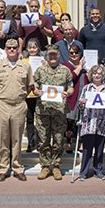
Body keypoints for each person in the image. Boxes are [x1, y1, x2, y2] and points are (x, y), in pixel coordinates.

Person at [0, 38, 32, 181]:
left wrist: (20, 96)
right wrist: (3, 95)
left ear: (18, 49)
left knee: (17, 139)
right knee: (3, 138)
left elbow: (29, 85)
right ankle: (3, 167)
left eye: (14, 47)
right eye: (9, 47)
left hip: (19, 105)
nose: (12, 49)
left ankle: (17, 167)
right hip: (4, 105)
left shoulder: (25, 66)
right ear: (5, 50)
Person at [33, 44, 74, 180]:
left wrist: (67, 93)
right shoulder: (40, 70)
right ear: (47, 55)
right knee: (43, 139)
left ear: (58, 55)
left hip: (59, 111)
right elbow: (34, 87)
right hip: (43, 110)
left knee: (57, 139)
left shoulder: (65, 71)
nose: (52, 56)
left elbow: (71, 88)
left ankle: (56, 166)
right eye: (49, 54)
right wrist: (36, 91)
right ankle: (45, 166)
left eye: (54, 54)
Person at [76, 65, 105, 181]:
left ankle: (98, 170)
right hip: (89, 122)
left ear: (103, 76)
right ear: (91, 75)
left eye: (99, 74)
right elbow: (80, 105)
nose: (97, 76)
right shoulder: (87, 88)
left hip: (102, 123)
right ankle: (84, 172)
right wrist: (82, 102)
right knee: (87, 149)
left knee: (99, 149)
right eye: (94, 74)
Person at [63, 44, 88, 153]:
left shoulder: (86, 66)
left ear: (80, 54)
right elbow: (71, 77)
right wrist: (79, 67)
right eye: (71, 53)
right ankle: (69, 143)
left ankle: (81, 143)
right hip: (71, 97)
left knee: (82, 120)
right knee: (70, 121)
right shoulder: (65, 65)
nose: (74, 55)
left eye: (76, 52)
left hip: (82, 96)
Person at [22, 38, 45, 153]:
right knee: (30, 119)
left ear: (38, 48)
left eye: (34, 47)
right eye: (30, 47)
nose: (32, 49)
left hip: (40, 94)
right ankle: (31, 142)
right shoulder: (23, 61)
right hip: (29, 94)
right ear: (27, 49)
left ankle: (40, 142)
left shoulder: (42, 61)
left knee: (40, 119)